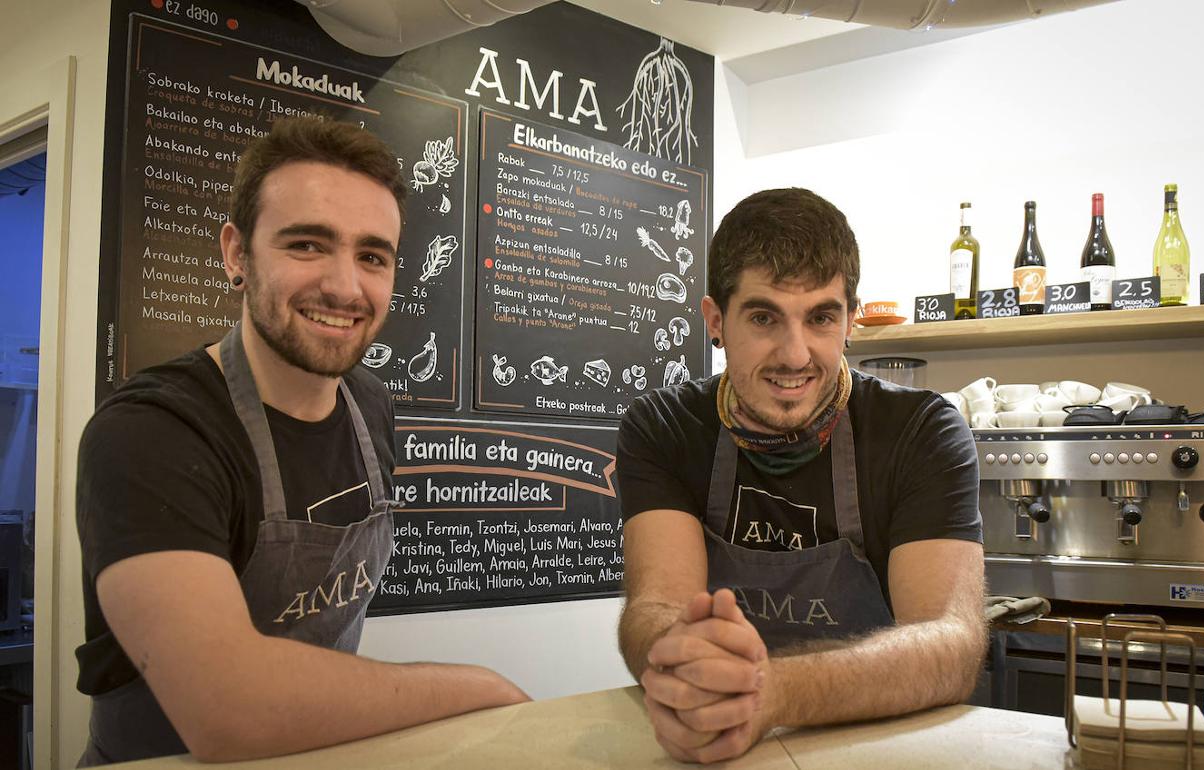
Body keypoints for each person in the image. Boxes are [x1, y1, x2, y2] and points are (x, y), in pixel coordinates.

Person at [74, 117, 528, 766]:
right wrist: (481, 687)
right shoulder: (150, 433)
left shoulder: (370, 405)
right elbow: (225, 708)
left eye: (372, 256)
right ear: (237, 253)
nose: (346, 286)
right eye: (308, 245)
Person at [615, 188, 986, 764]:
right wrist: (683, 663)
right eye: (764, 317)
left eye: (820, 317)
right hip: (718, 742)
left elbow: (951, 645)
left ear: (850, 320)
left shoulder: (921, 433)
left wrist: (770, 693)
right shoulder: (663, 428)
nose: (795, 354)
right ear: (716, 320)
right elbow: (653, 606)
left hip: (881, 746)